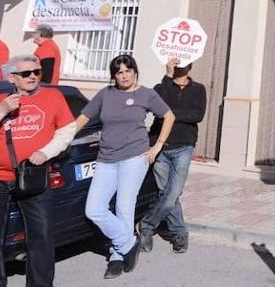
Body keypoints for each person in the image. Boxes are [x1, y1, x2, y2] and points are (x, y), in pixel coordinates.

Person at [0, 55, 76, 287]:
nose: (33, 76)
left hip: (33, 176)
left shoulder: (53, 96)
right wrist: (1, 110)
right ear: (12, 77)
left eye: (36, 72)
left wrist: (46, 152)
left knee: (41, 236)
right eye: (26, 73)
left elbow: (67, 131)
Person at [74, 54, 175, 279]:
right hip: (106, 159)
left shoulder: (146, 94)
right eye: (119, 72)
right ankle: (129, 243)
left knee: (124, 207)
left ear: (134, 71)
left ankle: (116, 256)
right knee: (94, 209)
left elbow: (169, 116)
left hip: (134, 157)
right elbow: (82, 119)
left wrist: (157, 146)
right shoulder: (105, 95)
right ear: (114, 76)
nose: (124, 75)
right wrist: (58, 140)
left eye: (128, 70)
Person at [137, 57, 207, 255]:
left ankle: (148, 225)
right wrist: (167, 75)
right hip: (160, 147)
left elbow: (197, 115)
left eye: (184, 63)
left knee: (173, 193)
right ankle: (179, 233)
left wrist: (168, 114)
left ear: (191, 66)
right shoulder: (162, 86)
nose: (180, 67)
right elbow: (155, 106)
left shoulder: (199, 89)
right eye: (176, 64)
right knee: (165, 193)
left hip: (184, 146)